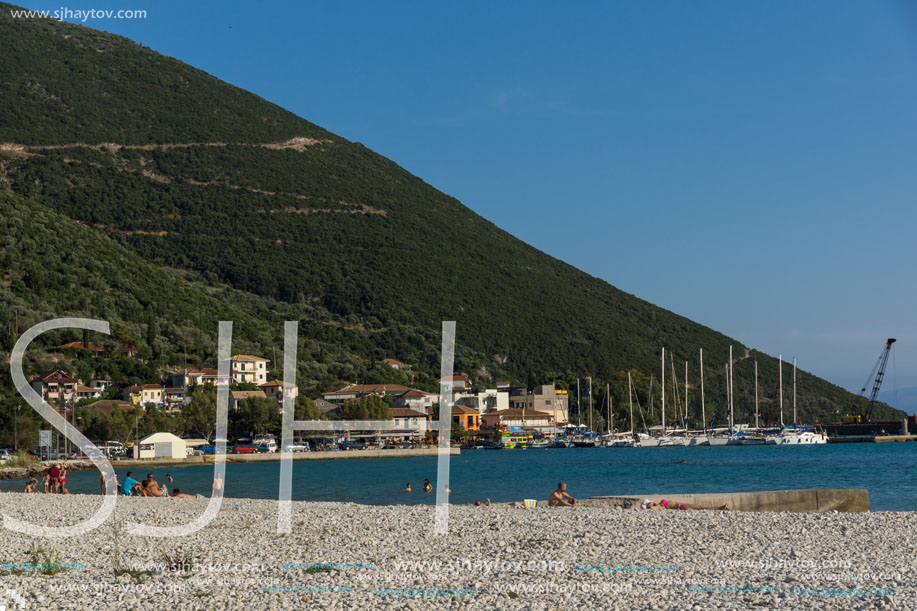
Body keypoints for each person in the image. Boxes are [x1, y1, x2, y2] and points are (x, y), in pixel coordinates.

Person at [641, 498, 730, 511]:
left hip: (683, 504)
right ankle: (720, 508)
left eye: (650, 502)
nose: (651, 502)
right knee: (701, 508)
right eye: (649, 503)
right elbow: (654, 509)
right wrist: (647, 507)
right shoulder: (660, 506)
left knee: (701, 507)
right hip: (682, 506)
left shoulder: (660, 502)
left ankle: (720, 508)